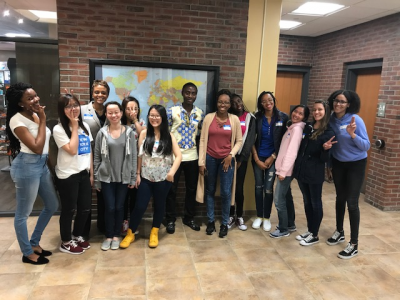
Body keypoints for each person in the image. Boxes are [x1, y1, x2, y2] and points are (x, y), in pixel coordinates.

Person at [6, 82, 58, 265]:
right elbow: (36, 147)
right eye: (30, 98)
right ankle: (27, 252)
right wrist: (43, 120)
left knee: (52, 204)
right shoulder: (17, 120)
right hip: (27, 166)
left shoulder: (34, 114)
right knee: (23, 214)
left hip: (41, 165)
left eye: (35, 95)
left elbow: (44, 148)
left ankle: (34, 242)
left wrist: (52, 169)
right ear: (20, 103)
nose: (36, 99)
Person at [120, 105, 182, 249]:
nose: (154, 118)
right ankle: (130, 233)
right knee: (140, 206)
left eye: (157, 116)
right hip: (146, 178)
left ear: (163, 118)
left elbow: (179, 156)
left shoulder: (169, 135)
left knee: (160, 206)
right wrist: (137, 174)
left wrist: (171, 172)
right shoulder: (144, 134)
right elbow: (139, 156)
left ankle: (154, 232)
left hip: (163, 179)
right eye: (151, 115)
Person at [326, 90, 370, 259]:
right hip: (338, 163)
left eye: (342, 102)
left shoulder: (355, 119)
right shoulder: (331, 119)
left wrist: (352, 135)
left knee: (352, 203)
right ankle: (339, 231)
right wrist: (329, 165)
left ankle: (354, 244)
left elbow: (366, 146)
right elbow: (332, 144)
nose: (338, 104)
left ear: (349, 104)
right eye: (336, 100)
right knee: (339, 198)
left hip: (356, 165)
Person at [196, 89, 243, 238]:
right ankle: (210, 221)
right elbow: (203, 140)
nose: (223, 104)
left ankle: (224, 223)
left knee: (225, 192)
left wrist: (230, 155)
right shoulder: (209, 118)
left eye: (226, 102)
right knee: (209, 190)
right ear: (217, 103)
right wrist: (201, 162)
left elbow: (239, 141)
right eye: (220, 101)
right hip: (209, 158)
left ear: (230, 105)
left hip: (226, 161)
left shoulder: (234, 120)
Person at [94, 101, 137, 251]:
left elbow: (133, 156)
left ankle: (116, 236)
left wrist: (132, 178)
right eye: (110, 112)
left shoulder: (129, 132)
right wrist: (97, 180)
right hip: (106, 177)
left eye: (116, 112)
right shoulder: (102, 133)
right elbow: (97, 158)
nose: (114, 115)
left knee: (119, 207)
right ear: (106, 114)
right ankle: (108, 235)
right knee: (109, 207)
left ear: (121, 112)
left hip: (123, 177)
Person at [53, 94, 93, 254]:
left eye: (75, 105)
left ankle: (76, 235)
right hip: (67, 175)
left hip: (83, 173)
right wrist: (74, 127)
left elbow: (87, 151)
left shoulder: (85, 127)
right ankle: (65, 241)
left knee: (85, 208)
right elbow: (72, 150)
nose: (73, 109)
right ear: (62, 110)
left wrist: (91, 174)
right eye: (68, 106)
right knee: (69, 209)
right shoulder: (58, 129)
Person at [293, 100, 335, 246]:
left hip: (315, 173)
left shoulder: (328, 132)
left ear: (326, 112)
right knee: (306, 201)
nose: (316, 112)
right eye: (315, 110)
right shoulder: (308, 127)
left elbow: (325, 159)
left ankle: (315, 234)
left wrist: (325, 149)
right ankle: (310, 230)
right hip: (302, 171)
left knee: (315, 202)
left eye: (320, 110)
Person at [165, 82, 205, 234]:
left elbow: (203, 133)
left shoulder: (200, 113)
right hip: (175, 157)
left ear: (196, 95)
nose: (190, 96)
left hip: (192, 156)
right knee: (171, 190)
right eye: (187, 92)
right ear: (182, 93)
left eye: (193, 93)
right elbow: (166, 133)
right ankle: (170, 219)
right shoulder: (172, 111)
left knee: (191, 189)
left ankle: (189, 217)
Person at [251, 92, 289, 232]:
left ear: (274, 100)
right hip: (258, 158)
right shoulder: (256, 117)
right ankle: (259, 216)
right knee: (258, 187)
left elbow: (285, 141)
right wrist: (256, 159)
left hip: (274, 159)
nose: (267, 102)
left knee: (268, 188)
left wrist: (273, 156)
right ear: (260, 103)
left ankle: (266, 217)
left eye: (270, 99)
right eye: (264, 101)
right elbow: (250, 139)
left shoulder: (283, 117)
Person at [270, 104, 309, 238]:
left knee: (279, 199)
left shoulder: (297, 130)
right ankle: (290, 224)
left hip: (285, 171)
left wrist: (283, 171)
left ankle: (283, 229)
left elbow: (291, 153)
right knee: (286, 196)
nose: (296, 115)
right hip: (283, 169)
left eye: (300, 114)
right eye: (295, 112)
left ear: (304, 117)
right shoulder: (292, 127)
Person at [81, 79, 110, 234]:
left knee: (103, 194)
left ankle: (103, 226)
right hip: (85, 157)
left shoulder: (109, 111)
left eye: (103, 92)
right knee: (85, 196)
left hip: (105, 159)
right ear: (92, 93)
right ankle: (83, 231)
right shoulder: (81, 109)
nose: (100, 95)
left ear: (107, 95)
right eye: (97, 92)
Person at [227, 94, 256, 230]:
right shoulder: (228, 117)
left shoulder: (250, 118)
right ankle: (230, 215)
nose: (237, 104)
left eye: (238, 100)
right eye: (233, 102)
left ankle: (239, 216)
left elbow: (250, 140)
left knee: (238, 188)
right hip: (227, 157)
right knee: (228, 188)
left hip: (241, 158)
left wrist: (241, 159)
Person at [121, 96, 146, 233]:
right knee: (123, 197)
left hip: (137, 165)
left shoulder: (141, 123)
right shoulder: (118, 123)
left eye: (135, 108)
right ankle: (123, 222)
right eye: (129, 108)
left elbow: (142, 134)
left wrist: (135, 120)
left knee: (134, 196)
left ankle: (133, 224)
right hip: (122, 165)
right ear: (123, 109)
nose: (132, 111)